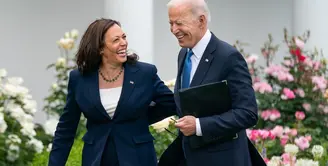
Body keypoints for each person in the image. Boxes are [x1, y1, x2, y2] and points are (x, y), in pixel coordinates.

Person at [48, 18, 176, 166]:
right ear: (100, 48)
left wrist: (140, 118)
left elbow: (171, 103)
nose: (123, 43)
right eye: (116, 40)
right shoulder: (79, 78)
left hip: (138, 158)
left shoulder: (144, 73)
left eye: (124, 37)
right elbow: (66, 128)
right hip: (96, 159)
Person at [158, 0, 266, 166]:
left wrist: (199, 125)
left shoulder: (228, 57)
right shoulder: (184, 54)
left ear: (201, 20)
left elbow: (247, 113)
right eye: (171, 23)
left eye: (179, 23)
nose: (174, 30)